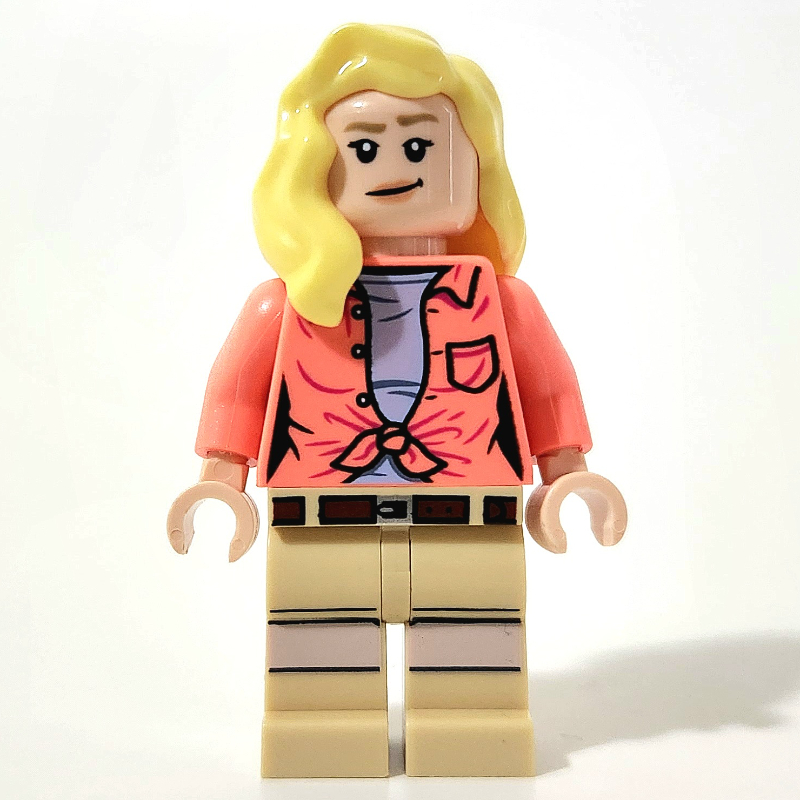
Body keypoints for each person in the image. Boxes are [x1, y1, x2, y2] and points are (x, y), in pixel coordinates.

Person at [168, 22, 627, 778]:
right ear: (315, 168)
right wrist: (221, 483)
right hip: (320, 513)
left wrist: (566, 475)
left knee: (472, 645)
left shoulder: (501, 301)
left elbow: (547, 389)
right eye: (364, 147)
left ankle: (471, 729)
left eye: (420, 145)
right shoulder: (285, 306)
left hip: (469, 511)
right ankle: (322, 731)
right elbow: (239, 396)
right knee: (319, 649)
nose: (393, 167)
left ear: (475, 164)